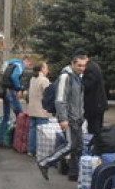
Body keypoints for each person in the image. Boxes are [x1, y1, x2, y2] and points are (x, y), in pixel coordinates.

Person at [37, 52, 87, 181]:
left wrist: (81, 115)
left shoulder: (78, 76)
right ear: (72, 64)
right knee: (70, 145)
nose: (82, 68)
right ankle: (44, 163)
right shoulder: (66, 77)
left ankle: (74, 174)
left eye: (84, 65)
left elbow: (77, 99)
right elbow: (60, 100)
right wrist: (63, 118)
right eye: (79, 65)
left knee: (79, 147)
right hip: (69, 118)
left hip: (77, 118)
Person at [0, 55, 32, 147]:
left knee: (6, 116)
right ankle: (19, 140)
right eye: (29, 63)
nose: (29, 65)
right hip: (10, 92)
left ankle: (0, 140)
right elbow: (14, 77)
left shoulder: (11, 64)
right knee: (20, 115)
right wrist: (19, 88)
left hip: (4, 91)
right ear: (26, 60)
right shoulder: (19, 65)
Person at [26, 61, 52, 156]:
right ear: (42, 69)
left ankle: (31, 150)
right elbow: (48, 94)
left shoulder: (33, 78)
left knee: (32, 130)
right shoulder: (44, 80)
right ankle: (40, 151)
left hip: (32, 109)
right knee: (42, 131)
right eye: (46, 68)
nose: (47, 70)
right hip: (42, 110)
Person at [80, 50, 108, 136]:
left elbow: (88, 85)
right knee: (96, 128)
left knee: (94, 130)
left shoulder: (90, 68)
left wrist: (79, 82)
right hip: (97, 105)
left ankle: (95, 147)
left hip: (95, 105)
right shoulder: (92, 65)